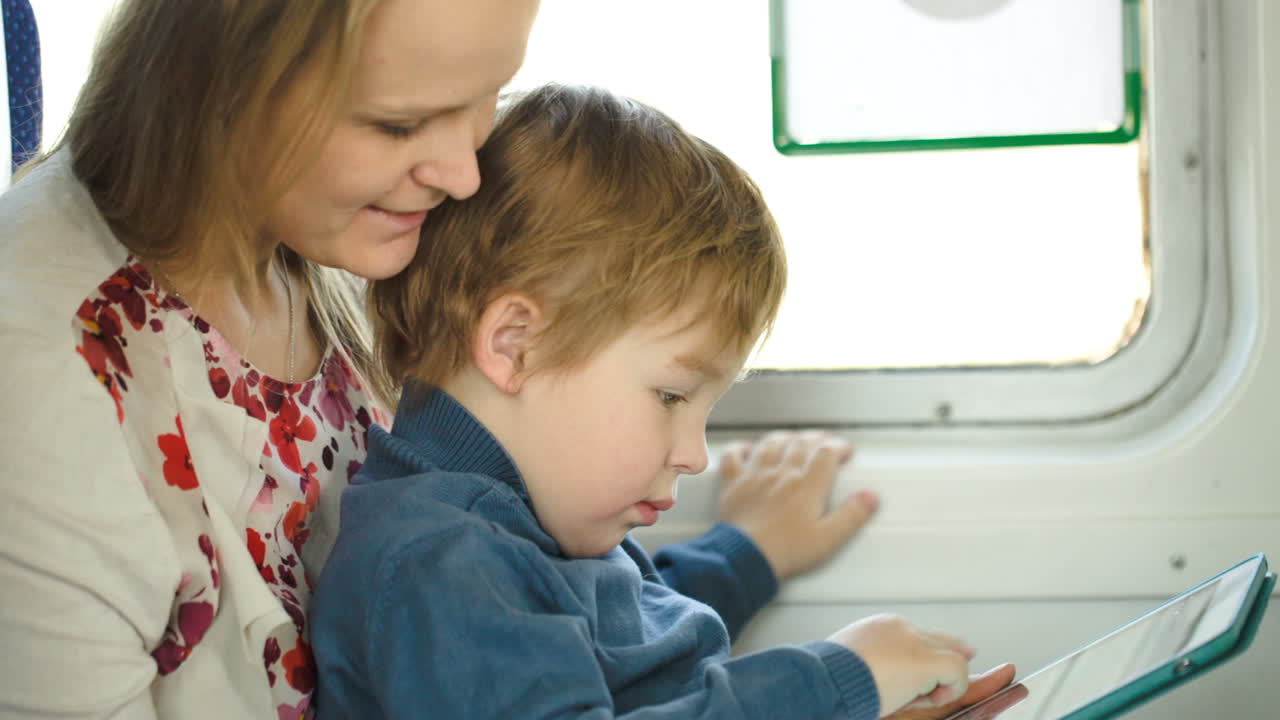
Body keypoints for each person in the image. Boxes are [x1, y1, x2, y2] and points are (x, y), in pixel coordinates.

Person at [0, 1, 967, 718]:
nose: (464, 174)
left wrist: (743, 557)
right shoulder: (52, 380)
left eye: (485, 100)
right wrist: (824, 687)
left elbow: (588, 624)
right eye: (399, 123)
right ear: (225, 79)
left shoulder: (356, 254)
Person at [311, 84, 994, 720]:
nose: (695, 455)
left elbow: (630, 625)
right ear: (517, 346)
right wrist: (828, 686)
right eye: (671, 395)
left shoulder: (520, 528)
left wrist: (746, 554)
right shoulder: (440, 567)